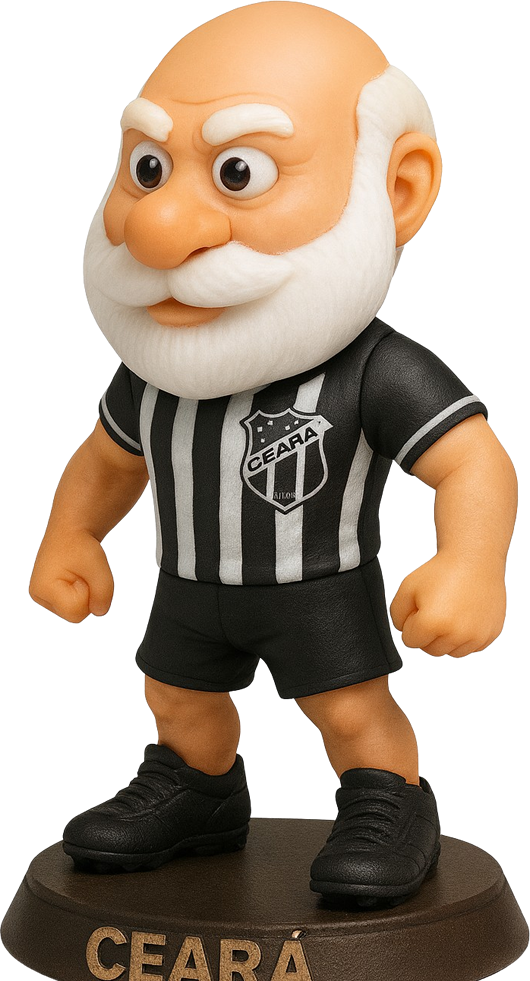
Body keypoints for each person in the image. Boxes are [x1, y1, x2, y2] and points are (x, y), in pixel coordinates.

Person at [28, 2, 517, 905]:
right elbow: (107, 461)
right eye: (147, 168)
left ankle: (388, 798)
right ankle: (198, 789)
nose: (159, 229)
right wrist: (72, 534)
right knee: (174, 697)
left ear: (398, 190)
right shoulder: (153, 375)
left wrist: (471, 563)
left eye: (239, 172)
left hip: (317, 589)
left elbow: (470, 460)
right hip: (190, 583)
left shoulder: (374, 368)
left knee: (349, 709)